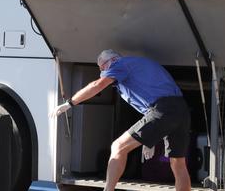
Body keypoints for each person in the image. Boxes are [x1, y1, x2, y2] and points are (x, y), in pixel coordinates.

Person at [51, 50, 191, 191]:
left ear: (111, 61)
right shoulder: (136, 65)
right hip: (180, 109)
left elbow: (97, 85)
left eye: (102, 68)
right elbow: (155, 107)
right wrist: (151, 139)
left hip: (162, 109)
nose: (102, 72)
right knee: (178, 162)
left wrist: (69, 103)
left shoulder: (119, 65)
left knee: (118, 147)